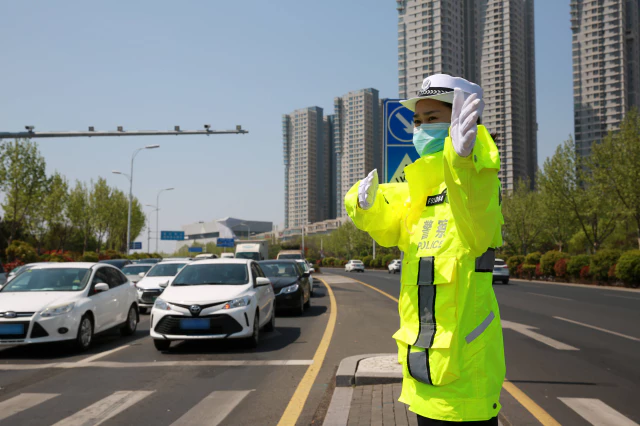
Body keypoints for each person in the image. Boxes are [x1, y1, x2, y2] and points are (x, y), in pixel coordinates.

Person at [344, 74, 505, 425]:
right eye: (417, 121)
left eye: (432, 118)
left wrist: (465, 163)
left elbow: (476, 220)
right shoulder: (421, 187)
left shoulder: (476, 183)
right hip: (424, 372)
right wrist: (365, 206)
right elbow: (391, 226)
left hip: (465, 375)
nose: (421, 128)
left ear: (462, 120)